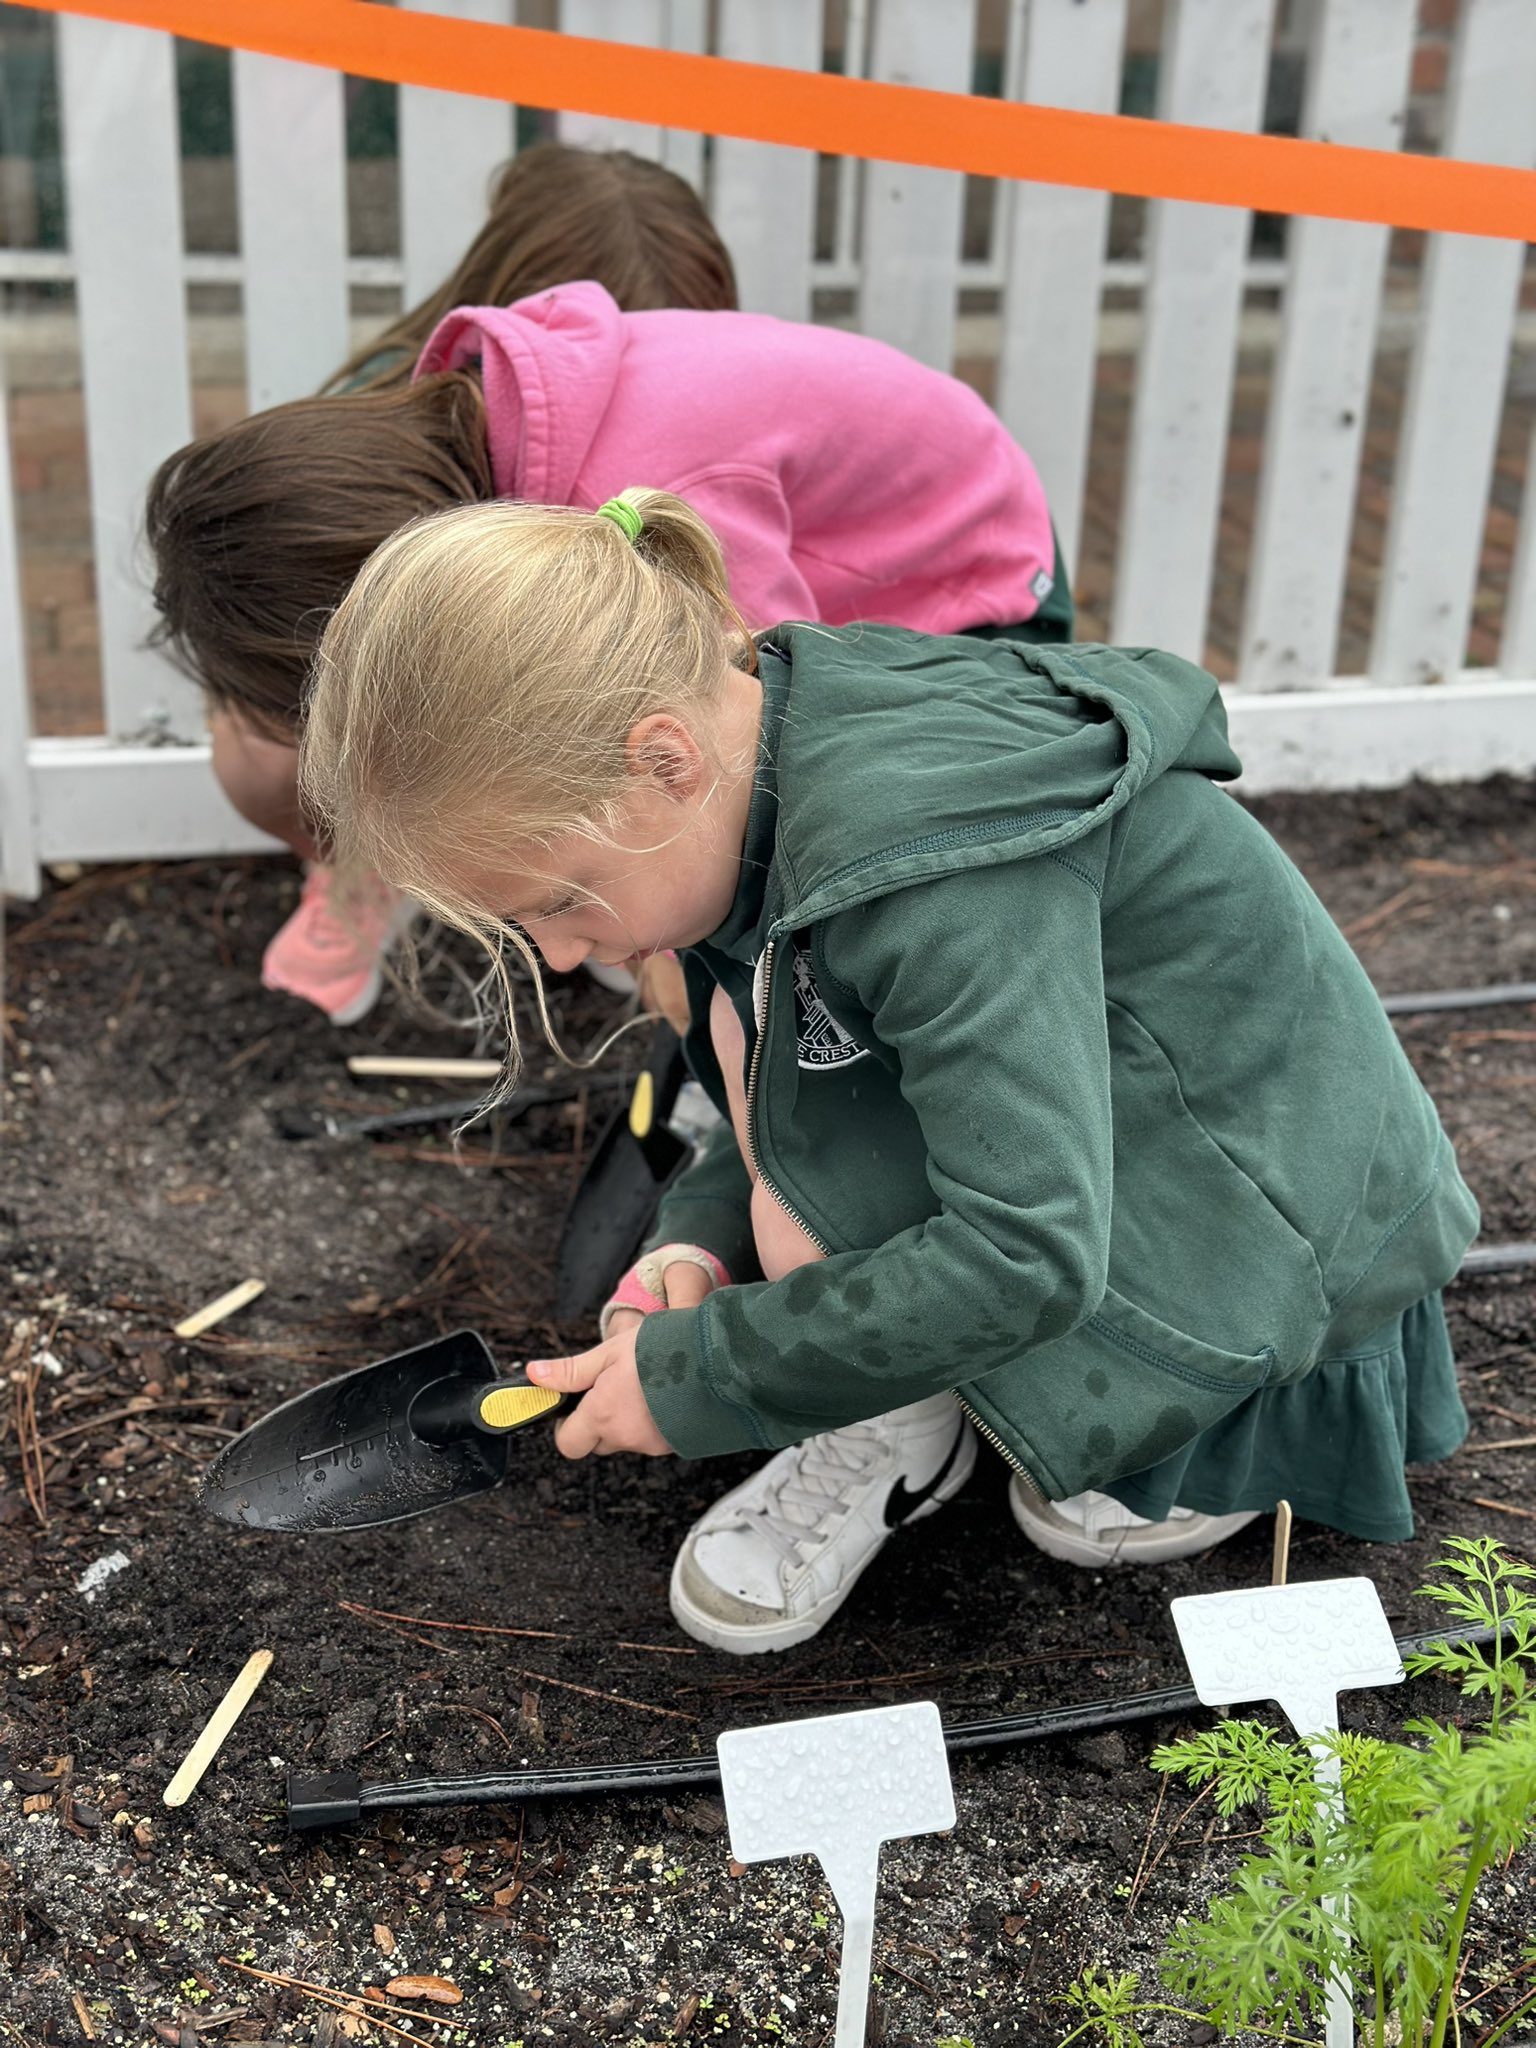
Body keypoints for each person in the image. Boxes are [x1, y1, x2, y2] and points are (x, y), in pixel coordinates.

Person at [298, 489, 1479, 1657]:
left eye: (555, 901)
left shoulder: (926, 872)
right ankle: (907, 1388)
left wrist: (707, 1371)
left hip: (1267, 1194)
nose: (559, 952)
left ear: (659, 758)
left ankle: (1205, 1417)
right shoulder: (749, 746)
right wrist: (700, 1239)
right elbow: (788, 1052)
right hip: (1101, 1129)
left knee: (1074, 1502)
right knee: (801, 1167)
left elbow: (1025, 1250)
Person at [144, 245, 1066, 1025]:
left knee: (750, 886)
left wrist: (683, 952)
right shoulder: (501, 425)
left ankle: (804, 1093)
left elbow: (777, 730)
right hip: (859, 560)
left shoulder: (639, 503)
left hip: (972, 603)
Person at [145, 142, 739, 1023]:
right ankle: (379, 873)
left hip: (568, 740)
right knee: (262, 763)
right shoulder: (388, 430)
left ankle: (607, 899)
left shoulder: (687, 478)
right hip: (473, 729)